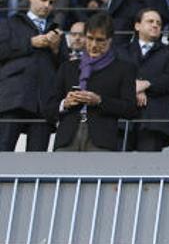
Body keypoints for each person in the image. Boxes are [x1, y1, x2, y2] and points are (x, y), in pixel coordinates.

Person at [49, 12, 136, 151]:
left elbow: (131, 109)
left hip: (102, 140)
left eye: (100, 40)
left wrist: (100, 101)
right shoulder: (67, 67)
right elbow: (49, 106)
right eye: (90, 38)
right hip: (67, 138)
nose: (94, 45)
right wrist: (65, 103)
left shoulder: (124, 69)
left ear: (110, 40)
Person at [0, 0, 65, 151]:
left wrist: (56, 49)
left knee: (37, 161)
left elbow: (65, 68)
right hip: (14, 96)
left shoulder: (57, 32)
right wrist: (30, 43)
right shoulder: (10, 23)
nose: (47, 5)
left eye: (51, 2)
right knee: (3, 152)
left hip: (44, 101)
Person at [114, 9, 169, 152]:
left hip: (154, 121)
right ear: (137, 26)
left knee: (149, 170)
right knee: (116, 169)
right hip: (122, 118)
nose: (155, 25)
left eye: (158, 23)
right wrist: (134, 88)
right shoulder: (120, 51)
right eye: (150, 21)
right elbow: (112, 77)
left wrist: (147, 84)